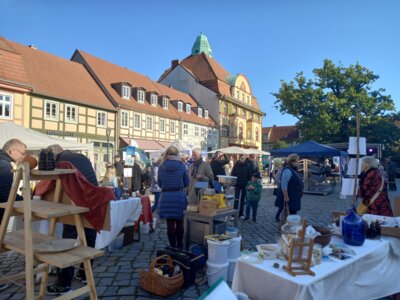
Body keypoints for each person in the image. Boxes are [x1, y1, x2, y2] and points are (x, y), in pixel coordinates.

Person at [45, 144, 98, 295]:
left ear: (53, 156)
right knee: (89, 239)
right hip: (93, 200)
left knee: (67, 242)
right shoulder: (80, 157)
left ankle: (64, 283)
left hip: (75, 202)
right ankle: (84, 274)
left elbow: (53, 183)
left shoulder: (62, 163)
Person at [0, 139, 26, 292]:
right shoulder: (4, 166)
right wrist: (23, 200)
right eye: (21, 153)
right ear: (11, 151)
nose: (22, 157)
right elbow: (4, 193)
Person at [157, 146, 189, 249]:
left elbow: (159, 183)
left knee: (170, 223)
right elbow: (186, 183)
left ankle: (172, 246)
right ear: (177, 154)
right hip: (179, 196)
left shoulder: (162, 167)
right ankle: (180, 245)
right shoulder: (181, 166)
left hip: (166, 196)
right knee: (180, 222)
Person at [275, 154, 303, 220]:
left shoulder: (294, 170)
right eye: (297, 161)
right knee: (291, 214)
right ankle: (289, 228)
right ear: (292, 161)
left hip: (294, 196)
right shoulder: (287, 170)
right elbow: (284, 184)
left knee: (293, 212)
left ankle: (291, 227)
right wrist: (286, 196)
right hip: (290, 197)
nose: (298, 162)